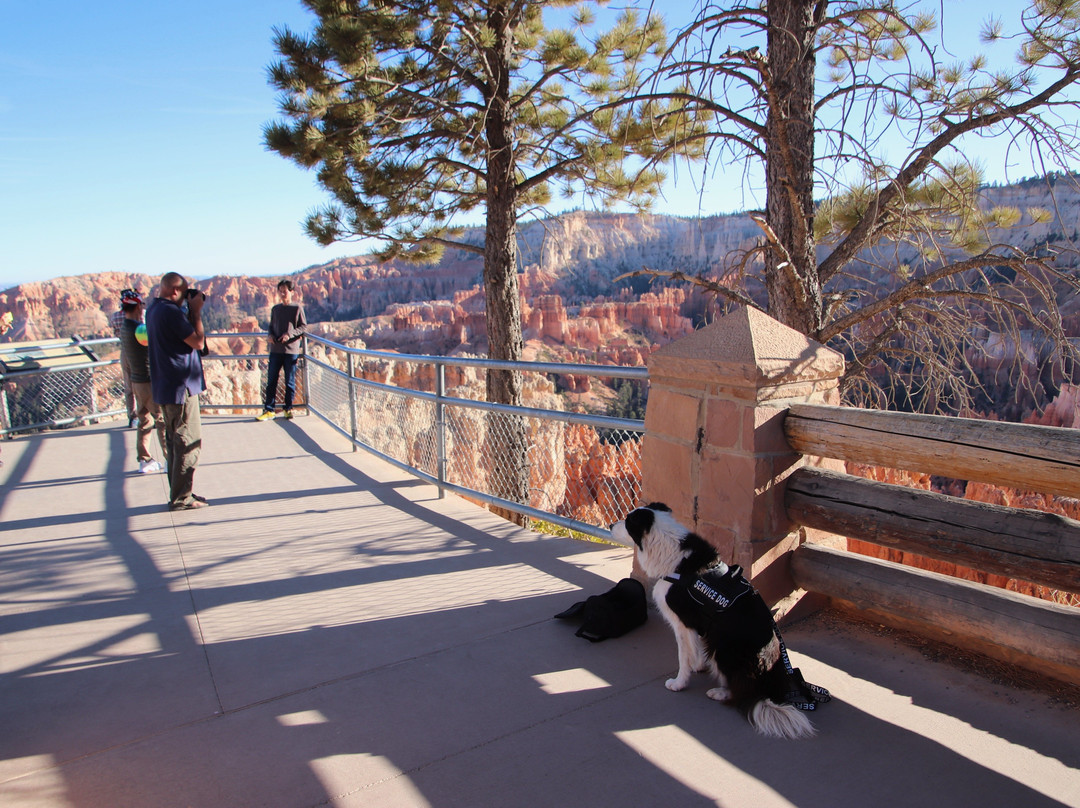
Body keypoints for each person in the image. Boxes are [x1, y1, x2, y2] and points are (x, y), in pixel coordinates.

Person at [146, 272, 209, 511]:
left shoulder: (153, 309)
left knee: (174, 443)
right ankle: (182, 498)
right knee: (187, 441)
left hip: (166, 385)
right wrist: (196, 312)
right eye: (183, 294)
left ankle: (181, 492)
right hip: (180, 387)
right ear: (174, 291)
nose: (185, 299)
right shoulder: (171, 312)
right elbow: (198, 342)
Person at [117, 289, 167, 474]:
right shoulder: (139, 329)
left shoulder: (124, 327)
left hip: (136, 381)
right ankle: (169, 458)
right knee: (161, 420)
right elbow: (157, 343)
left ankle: (144, 459)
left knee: (144, 420)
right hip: (149, 381)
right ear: (138, 306)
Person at [256, 279, 307, 421]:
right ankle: (269, 409)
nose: (282, 293)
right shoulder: (275, 309)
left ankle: (288, 409)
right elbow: (271, 326)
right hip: (275, 350)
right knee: (271, 380)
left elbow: (303, 327)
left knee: (289, 381)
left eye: (285, 291)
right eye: (280, 291)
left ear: (292, 292)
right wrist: (270, 335)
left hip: (290, 351)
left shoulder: (297, 309)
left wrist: (289, 335)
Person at [111, 291, 137, 428]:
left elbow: (116, 331)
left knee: (129, 387)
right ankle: (151, 414)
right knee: (146, 383)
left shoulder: (115, 317)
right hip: (141, 351)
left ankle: (132, 417)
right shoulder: (141, 314)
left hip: (125, 350)